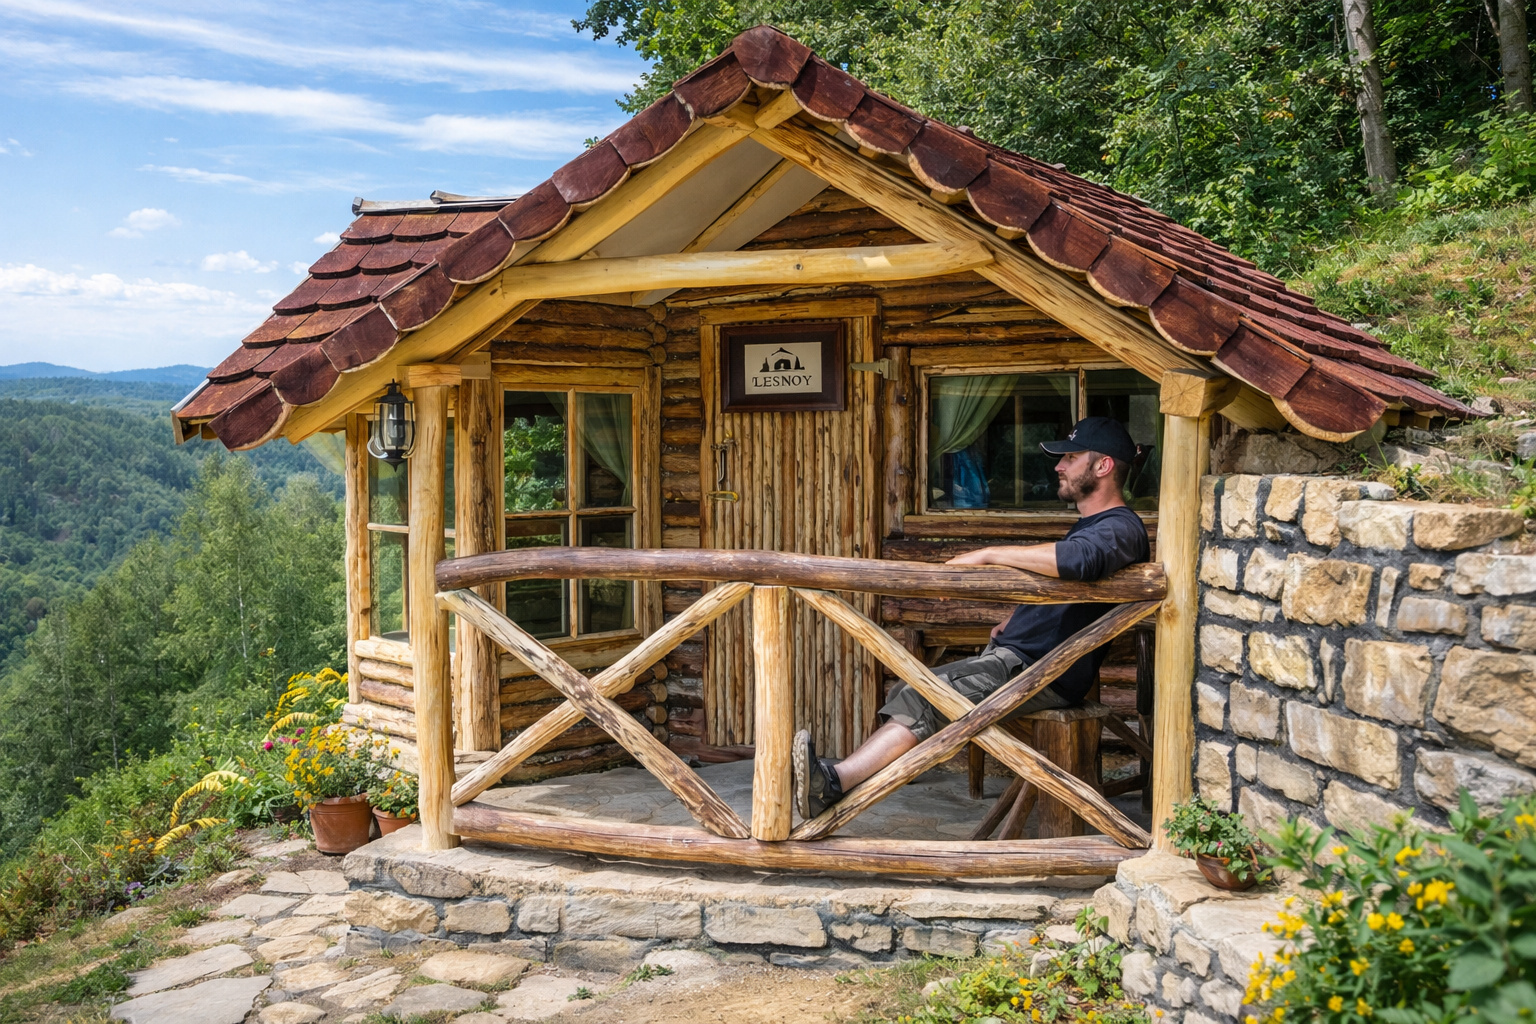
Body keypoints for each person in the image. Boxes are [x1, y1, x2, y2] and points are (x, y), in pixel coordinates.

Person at [792, 416, 1151, 819]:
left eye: (1070, 457)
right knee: (909, 691)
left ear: (1102, 467)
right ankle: (850, 780)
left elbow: (1080, 561)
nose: (1058, 466)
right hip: (1024, 660)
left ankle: (835, 783)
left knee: (923, 697)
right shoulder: (1097, 526)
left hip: (1039, 671)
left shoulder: (1120, 527)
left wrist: (988, 554)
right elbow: (1068, 588)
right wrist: (1014, 620)